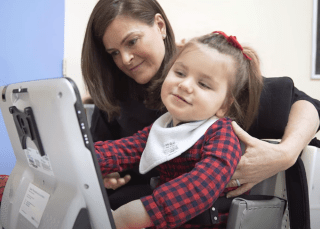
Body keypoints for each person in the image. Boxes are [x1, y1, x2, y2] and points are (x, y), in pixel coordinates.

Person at [82, 0, 320, 206]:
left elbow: (305, 103)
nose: (124, 59)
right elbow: (98, 154)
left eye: (132, 41)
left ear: (160, 26)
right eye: (113, 52)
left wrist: (285, 153)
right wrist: (99, 176)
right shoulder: (115, 96)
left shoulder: (210, 76)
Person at [95, 31, 263, 228]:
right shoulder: (164, 126)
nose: (184, 85)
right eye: (180, 73)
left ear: (224, 105)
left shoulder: (222, 135)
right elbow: (122, 150)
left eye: (203, 84)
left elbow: (201, 187)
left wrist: (142, 212)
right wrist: (82, 158)